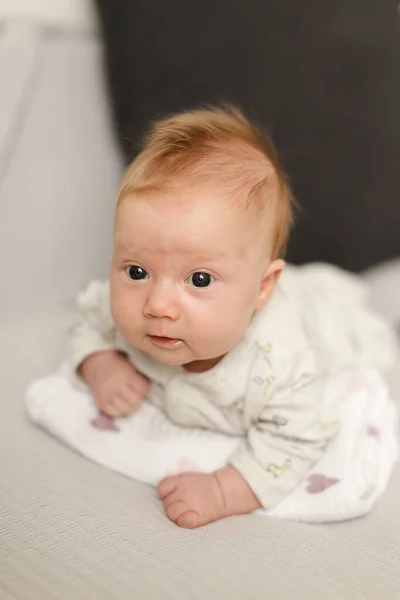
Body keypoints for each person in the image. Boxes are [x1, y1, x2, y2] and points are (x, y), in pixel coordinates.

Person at [69, 106, 397, 528]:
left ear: (263, 287)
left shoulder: (280, 365)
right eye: (137, 271)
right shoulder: (124, 311)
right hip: (268, 282)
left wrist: (222, 490)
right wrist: (99, 364)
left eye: (199, 279)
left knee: (368, 331)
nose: (158, 305)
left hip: (331, 322)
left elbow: (296, 440)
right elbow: (86, 315)